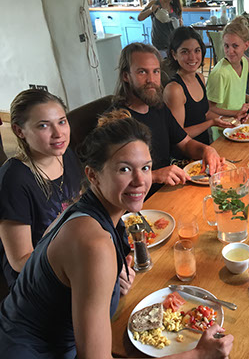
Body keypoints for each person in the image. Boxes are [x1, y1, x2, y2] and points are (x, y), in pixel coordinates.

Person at [0, 110, 234, 359]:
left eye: (145, 167)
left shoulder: (84, 213)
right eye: (124, 169)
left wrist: (108, 281)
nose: (140, 181)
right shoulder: (94, 244)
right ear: (93, 175)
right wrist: (199, 355)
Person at [111, 42, 223, 189]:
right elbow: (113, 179)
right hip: (141, 201)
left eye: (156, 71)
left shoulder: (159, 108)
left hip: (168, 190)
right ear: (126, 76)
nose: (151, 80)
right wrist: (156, 176)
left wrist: (206, 150)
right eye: (142, 72)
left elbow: (186, 143)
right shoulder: (116, 121)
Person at [0, 89, 82, 288]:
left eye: (62, 121)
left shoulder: (66, 155)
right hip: (37, 281)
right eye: (44, 125)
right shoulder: (14, 179)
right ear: (19, 131)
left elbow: (80, 210)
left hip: (74, 257)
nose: (58, 133)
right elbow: (20, 260)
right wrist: (77, 267)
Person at [163, 26, 236, 161]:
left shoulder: (200, 77)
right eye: (185, 51)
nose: (192, 57)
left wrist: (226, 120)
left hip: (204, 150)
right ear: (174, 54)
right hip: (185, 159)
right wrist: (211, 123)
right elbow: (178, 135)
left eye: (197, 51)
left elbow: (205, 113)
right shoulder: (175, 89)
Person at [206, 16, 249, 119]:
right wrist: (236, 113)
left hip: (239, 122)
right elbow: (209, 109)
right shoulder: (220, 73)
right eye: (226, 46)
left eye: (235, 46)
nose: (230, 51)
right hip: (223, 128)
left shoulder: (244, 63)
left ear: (246, 45)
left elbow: (236, 94)